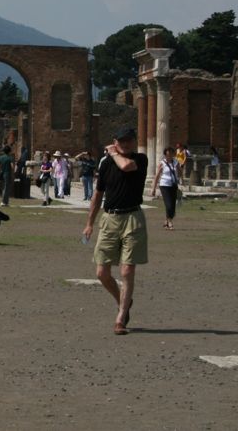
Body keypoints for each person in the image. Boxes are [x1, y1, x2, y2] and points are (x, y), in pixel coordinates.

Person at [82, 126, 148, 336]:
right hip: (109, 218)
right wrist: (89, 223)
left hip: (132, 217)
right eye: (121, 141)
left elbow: (127, 166)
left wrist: (112, 152)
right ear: (115, 141)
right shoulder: (106, 164)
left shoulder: (140, 159)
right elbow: (98, 194)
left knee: (127, 270)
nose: (125, 144)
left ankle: (120, 318)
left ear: (134, 141)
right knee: (102, 273)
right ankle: (123, 301)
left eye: (128, 140)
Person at [150, 147, 179, 231]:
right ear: (165, 154)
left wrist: (182, 180)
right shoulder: (162, 163)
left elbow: (180, 172)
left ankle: (166, 221)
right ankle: (170, 222)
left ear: (173, 154)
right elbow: (157, 176)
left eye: (170, 153)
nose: (169, 155)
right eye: (167, 154)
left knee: (173, 206)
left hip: (173, 185)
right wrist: (153, 188)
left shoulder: (176, 162)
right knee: (168, 204)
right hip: (164, 185)